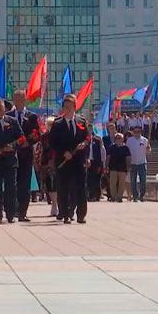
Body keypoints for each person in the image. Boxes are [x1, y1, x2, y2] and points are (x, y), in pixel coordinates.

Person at [51, 94, 90, 224]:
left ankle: (81, 214)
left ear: (75, 107)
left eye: (70, 106)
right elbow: (52, 142)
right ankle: (66, 213)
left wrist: (84, 144)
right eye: (65, 107)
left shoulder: (81, 121)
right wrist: (63, 153)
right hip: (64, 161)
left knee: (80, 188)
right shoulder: (57, 124)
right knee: (64, 188)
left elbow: (88, 137)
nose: (68, 109)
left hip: (78, 160)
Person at [6, 90, 40, 222]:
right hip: (12, 154)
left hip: (26, 154)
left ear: (25, 100)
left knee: (24, 185)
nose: (18, 101)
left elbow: (37, 133)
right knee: (12, 183)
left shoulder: (32, 117)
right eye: (16, 99)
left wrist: (28, 141)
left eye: (21, 99)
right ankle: (13, 210)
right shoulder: (8, 116)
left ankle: (23, 212)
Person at [126, 125, 151, 202]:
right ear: (133, 132)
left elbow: (148, 152)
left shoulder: (145, 140)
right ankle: (135, 196)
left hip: (142, 162)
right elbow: (127, 151)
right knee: (133, 181)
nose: (137, 133)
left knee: (143, 180)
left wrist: (148, 149)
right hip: (133, 163)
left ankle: (142, 196)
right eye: (135, 132)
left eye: (138, 131)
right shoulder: (129, 140)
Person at [40, 116, 58, 216]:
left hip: (57, 162)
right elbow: (44, 149)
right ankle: (54, 204)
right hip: (46, 162)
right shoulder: (44, 136)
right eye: (49, 124)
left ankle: (56, 205)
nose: (51, 127)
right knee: (49, 185)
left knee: (56, 184)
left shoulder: (58, 136)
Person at [107, 133, 130, 202]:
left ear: (123, 139)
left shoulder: (125, 148)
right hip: (113, 167)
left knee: (122, 183)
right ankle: (113, 197)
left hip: (122, 167)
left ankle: (119, 197)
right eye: (117, 138)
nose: (118, 139)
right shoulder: (111, 147)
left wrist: (128, 166)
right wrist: (106, 165)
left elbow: (128, 158)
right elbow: (108, 157)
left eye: (120, 138)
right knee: (112, 183)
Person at [87, 134, 106, 202]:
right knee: (88, 180)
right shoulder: (85, 141)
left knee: (96, 181)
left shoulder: (97, 143)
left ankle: (96, 196)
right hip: (87, 161)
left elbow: (101, 156)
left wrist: (100, 165)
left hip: (95, 163)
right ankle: (90, 196)